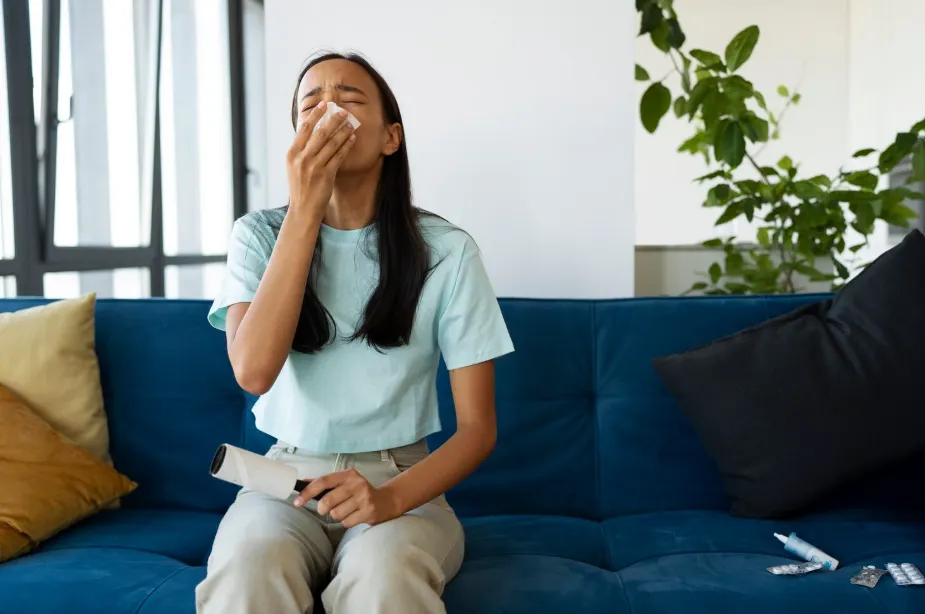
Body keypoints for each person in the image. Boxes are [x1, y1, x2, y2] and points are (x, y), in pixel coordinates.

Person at [195, 52, 514, 614]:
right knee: (246, 572)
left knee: (384, 578)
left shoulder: (447, 251)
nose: (327, 111)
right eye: (310, 104)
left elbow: (477, 429)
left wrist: (387, 499)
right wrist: (305, 211)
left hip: (402, 482)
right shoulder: (258, 236)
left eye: (348, 98)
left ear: (391, 137)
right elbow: (253, 372)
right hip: (286, 480)